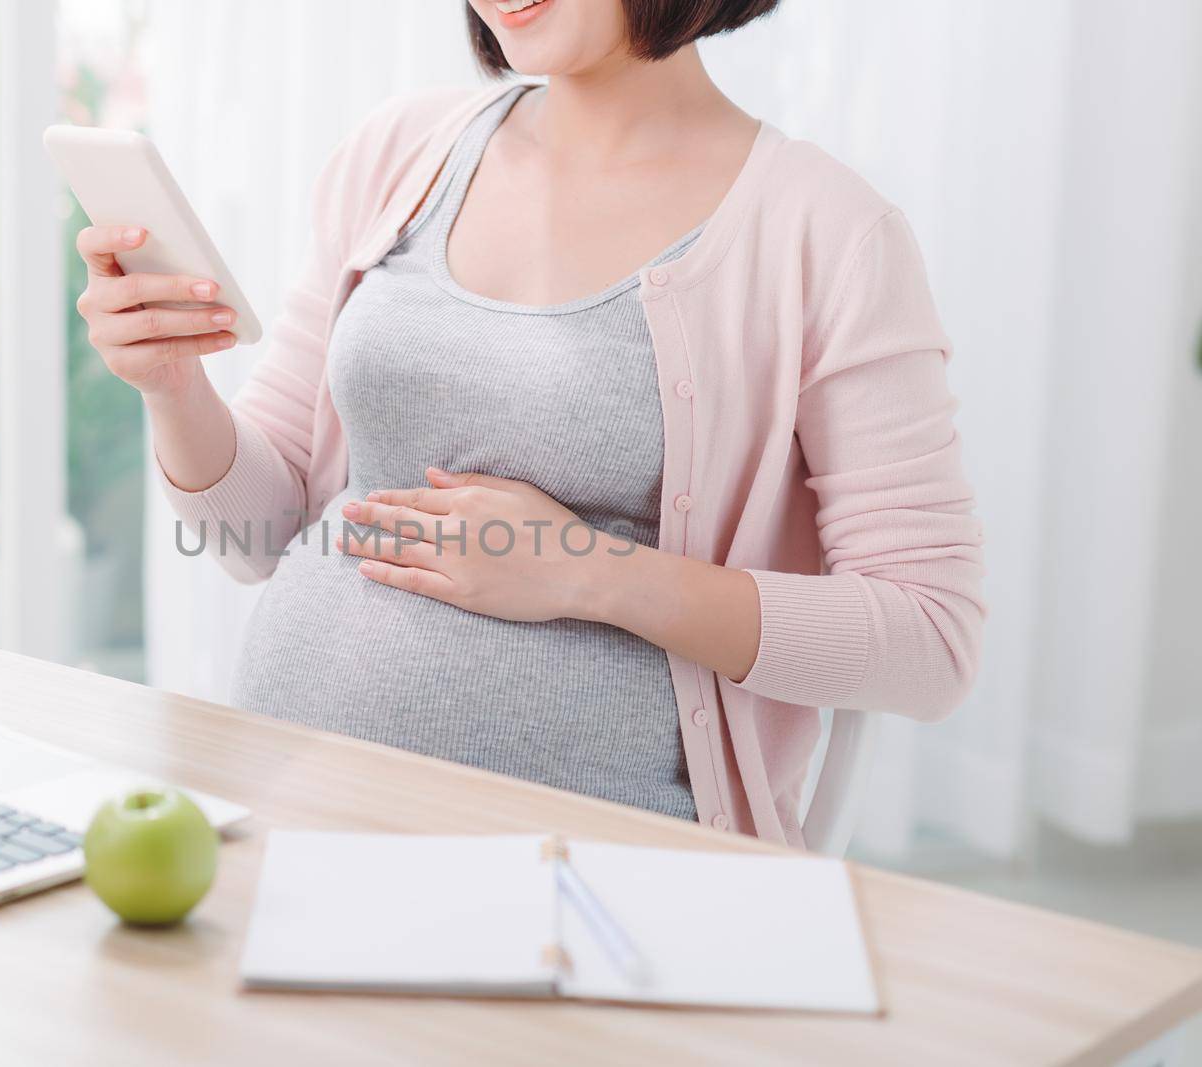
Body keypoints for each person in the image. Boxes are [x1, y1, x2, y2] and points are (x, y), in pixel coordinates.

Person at [72, 0, 984, 846]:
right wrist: (174, 387)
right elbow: (255, 538)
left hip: (582, 877)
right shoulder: (398, 155)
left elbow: (930, 640)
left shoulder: (827, 234)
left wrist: (588, 572)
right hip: (279, 816)